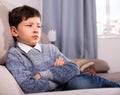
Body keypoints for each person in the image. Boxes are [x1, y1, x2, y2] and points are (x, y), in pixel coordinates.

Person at [5, 5, 120, 94]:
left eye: (39, 26)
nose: (36, 30)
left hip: (71, 84)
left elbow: (73, 69)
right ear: (14, 31)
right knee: (77, 82)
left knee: (78, 81)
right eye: (29, 25)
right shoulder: (15, 55)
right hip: (61, 88)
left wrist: (43, 74)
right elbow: (29, 86)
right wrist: (59, 74)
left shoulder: (50, 49)